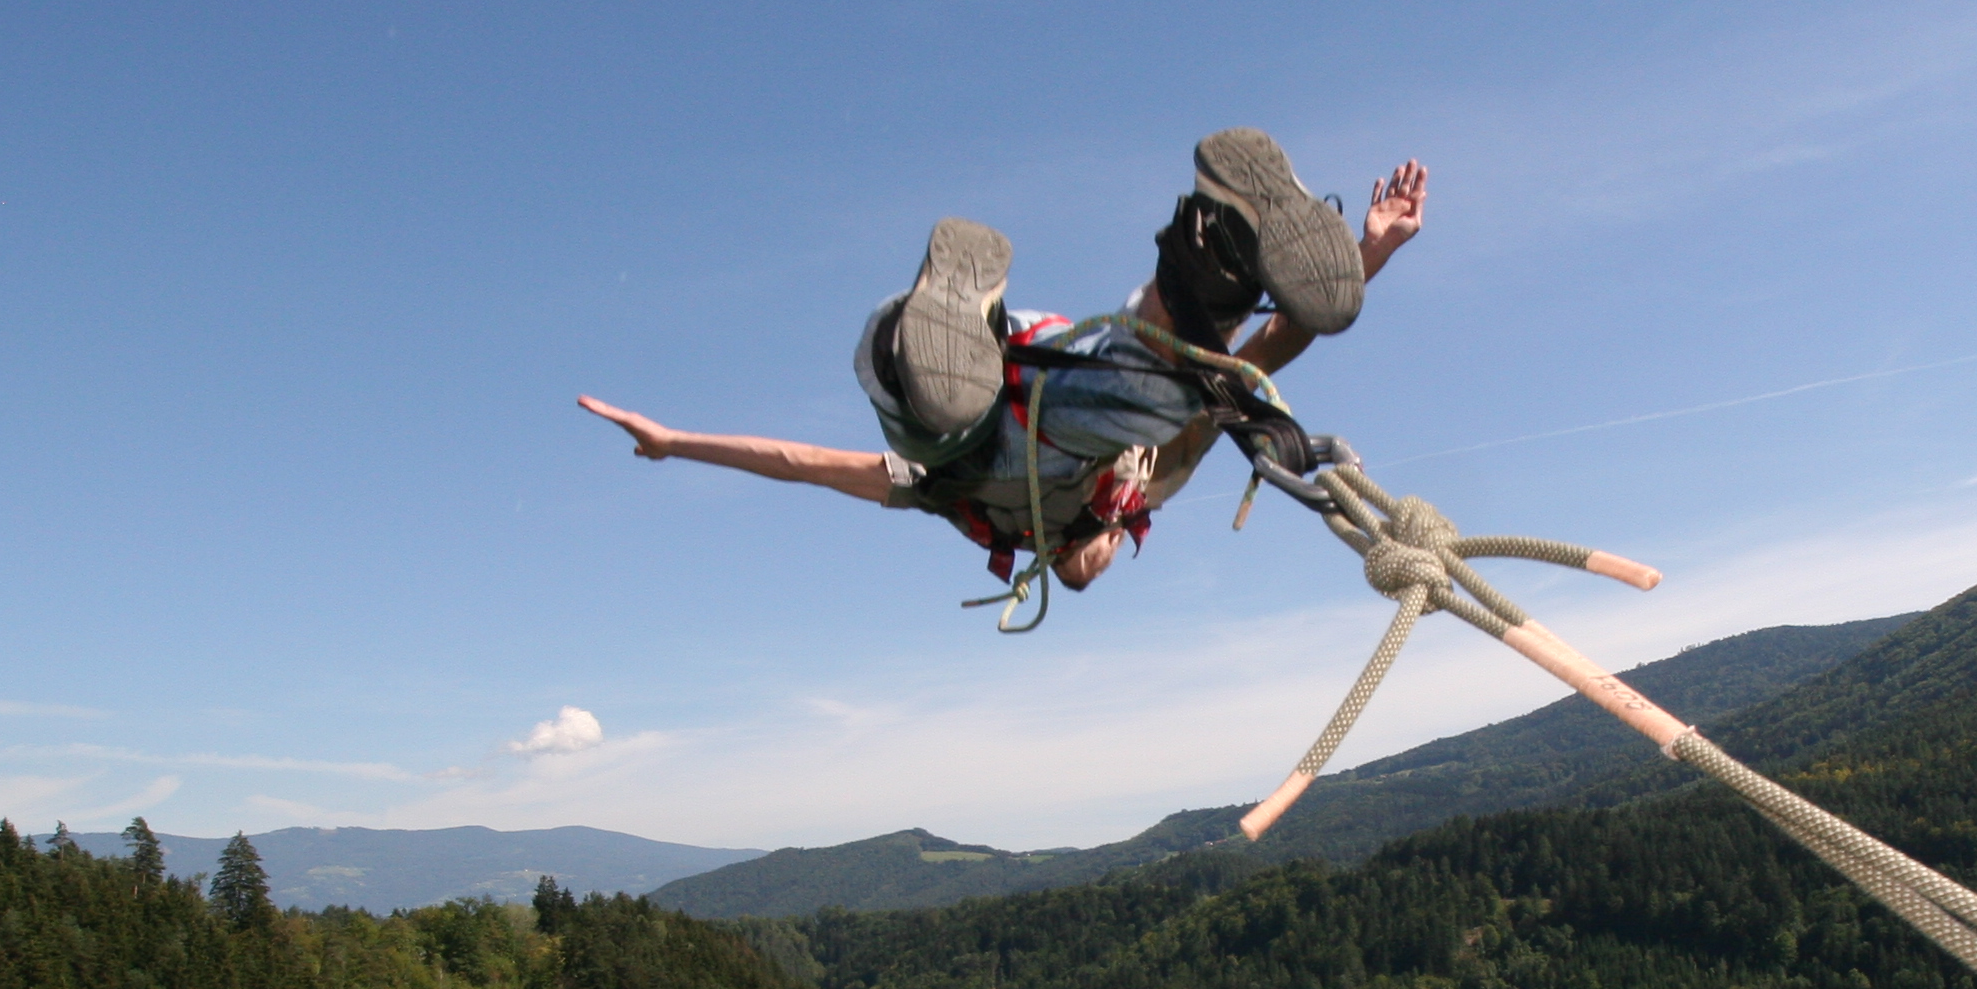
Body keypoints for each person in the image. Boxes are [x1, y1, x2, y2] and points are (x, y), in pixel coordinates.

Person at [581, 130, 1427, 594]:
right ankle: (1223, 248)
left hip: (1002, 370)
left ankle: (1211, 248)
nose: (1102, 552)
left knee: (1147, 384)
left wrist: (674, 442)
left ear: (1055, 558)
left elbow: (802, 462)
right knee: (1172, 385)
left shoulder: (977, 502)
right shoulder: (1146, 477)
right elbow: (1263, 360)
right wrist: (1367, 256)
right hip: (1029, 367)